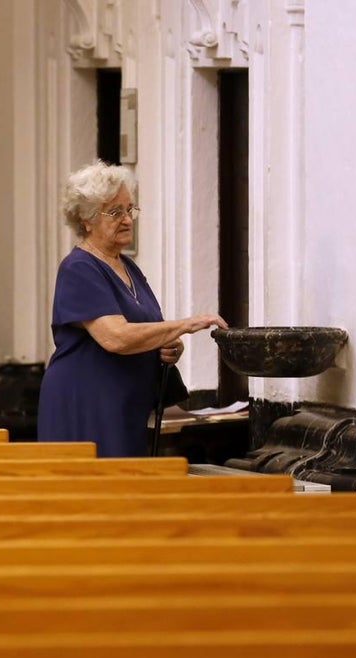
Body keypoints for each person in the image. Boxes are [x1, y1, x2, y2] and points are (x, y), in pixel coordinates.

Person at [37, 160, 227, 456]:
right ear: (86, 220)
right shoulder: (78, 268)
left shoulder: (128, 268)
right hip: (87, 404)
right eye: (115, 212)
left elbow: (147, 332)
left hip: (125, 405)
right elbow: (116, 338)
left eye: (129, 209)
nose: (127, 219)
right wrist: (185, 325)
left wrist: (169, 346)